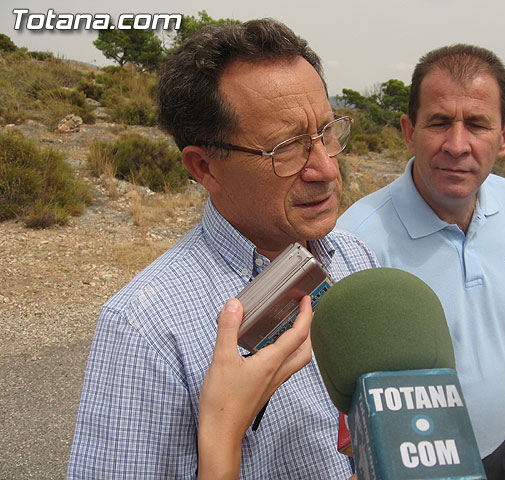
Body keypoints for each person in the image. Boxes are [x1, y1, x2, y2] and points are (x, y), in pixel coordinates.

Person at [67, 19, 377, 479]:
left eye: (327, 132)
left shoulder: (356, 258)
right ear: (204, 167)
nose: (326, 169)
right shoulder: (147, 328)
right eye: (287, 148)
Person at [337, 44, 505, 480]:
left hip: (501, 451)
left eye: (477, 125)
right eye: (439, 123)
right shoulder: (355, 241)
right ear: (408, 131)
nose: (457, 146)